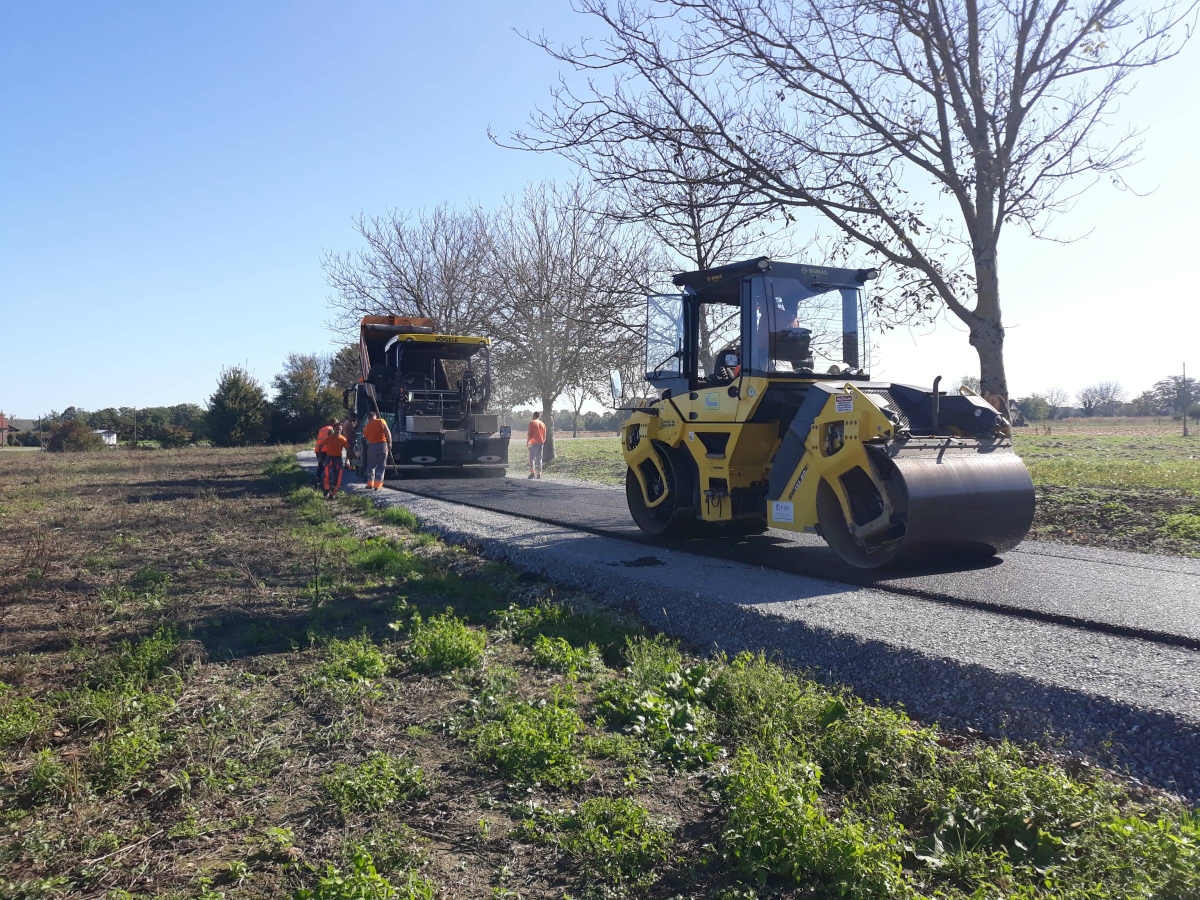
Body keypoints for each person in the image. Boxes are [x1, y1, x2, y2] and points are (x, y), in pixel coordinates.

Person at [362, 410, 392, 489]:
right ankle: (377, 485)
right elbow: (387, 432)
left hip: (372, 446)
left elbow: (366, 437)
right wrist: (390, 443)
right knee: (381, 465)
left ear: (368, 418)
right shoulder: (381, 421)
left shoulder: (367, 426)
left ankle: (370, 483)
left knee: (371, 465)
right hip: (382, 445)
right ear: (375, 416)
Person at [322, 423, 349, 498]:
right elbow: (320, 446)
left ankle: (332, 494)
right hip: (329, 458)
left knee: (337, 478)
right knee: (328, 475)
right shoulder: (329, 438)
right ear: (333, 429)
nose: (338, 431)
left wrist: (347, 460)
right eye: (337, 429)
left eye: (340, 429)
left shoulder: (343, 439)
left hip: (338, 459)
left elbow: (348, 450)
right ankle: (326, 490)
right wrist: (320, 457)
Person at [314, 419, 337, 485]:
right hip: (326, 451)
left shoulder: (322, 429)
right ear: (333, 424)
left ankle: (317, 482)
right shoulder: (330, 429)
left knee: (321, 467)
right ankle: (328, 484)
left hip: (319, 451)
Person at [526, 411, 546, 479]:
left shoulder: (532, 422)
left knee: (531, 458)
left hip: (533, 442)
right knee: (539, 458)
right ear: (539, 416)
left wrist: (527, 442)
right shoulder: (543, 424)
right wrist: (543, 441)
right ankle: (539, 474)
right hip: (540, 442)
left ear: (534, 416)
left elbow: (530, 433)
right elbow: (544, 435)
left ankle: (532, 473)